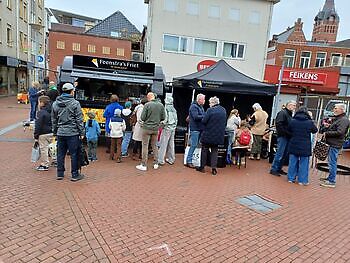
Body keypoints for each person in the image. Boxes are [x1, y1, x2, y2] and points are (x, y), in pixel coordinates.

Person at [52, 83, 85, 181]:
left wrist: (55, 132)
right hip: (72, 132)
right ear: (71, 91)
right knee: (74, 154)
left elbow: (53, 119)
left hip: (60, 132)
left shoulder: (55, 103)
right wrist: (82, 132)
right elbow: (79, 119)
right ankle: (74, 174)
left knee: (60, 153)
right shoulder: (75, 103)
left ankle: (60, 173)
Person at [320, 103, 350, 188]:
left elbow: (340, 132)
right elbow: (337, 129)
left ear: (342, 110)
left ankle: (331, 181)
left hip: (335, 144)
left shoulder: (343, 120)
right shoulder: (339, 119)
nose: (334, 109)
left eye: (336, 108)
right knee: (331, 162)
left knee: (332, 162)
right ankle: (330, 178)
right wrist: (328, 126)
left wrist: (327, 133)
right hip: (333, 143)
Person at [196, 96, 226, 176]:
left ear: (213, 103)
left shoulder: (210, 110)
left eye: (209, 103)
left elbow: (204, 121)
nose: (209, 104)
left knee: (204, 150)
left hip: (208, 134)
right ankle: (213, 169)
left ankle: (202, 167)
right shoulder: (223, 110)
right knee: (215, 151)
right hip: (218, 135)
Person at [287, 107, 318, 185]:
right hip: (305, 145)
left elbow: (288, 130)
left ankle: (291, 178)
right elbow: (315, 130)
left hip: (294, 143)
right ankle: (302, 180)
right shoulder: (309, 122)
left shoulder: (293, 121)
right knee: (304, 163)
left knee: (292, 163)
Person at [136, 92, 165, 171]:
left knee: (145, 146)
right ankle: (156, 163)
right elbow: (163, 117)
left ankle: (144, 164)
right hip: (156, 128)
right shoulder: (161, 105)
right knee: (154, 146)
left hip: (146, 128)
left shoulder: (147, 105)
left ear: (149, 97)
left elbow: (142, 117)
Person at [270, 100, 297, 176]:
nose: (295, 107)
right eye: (293, 105)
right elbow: (279, 124)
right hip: (283, 137)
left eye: (295, 105)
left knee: (284, 154)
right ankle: (274, 169)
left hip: (286, 136)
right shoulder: (283, 113)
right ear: (289, 105)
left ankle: (278, 168)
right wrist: (286, 133)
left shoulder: (288, 114)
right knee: (280, 153)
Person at [185, 93, 205, 168]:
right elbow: (196, 117)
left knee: (196, 145)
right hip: (195, 129)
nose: (204, 101)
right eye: (203, 99)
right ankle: (189, 161)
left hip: (199, 129)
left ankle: (194, 160)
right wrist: (205, 116)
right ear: (199, 99)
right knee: (193, 145)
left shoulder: (200, 107)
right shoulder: (194, 107)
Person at [34, 95, 53, 171]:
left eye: (39, 102)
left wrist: (36, 135)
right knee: (53, 148)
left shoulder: (41, 112)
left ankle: (45, 164)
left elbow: (38, 125)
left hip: (43, 133)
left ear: (42, 103)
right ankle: (55, 161)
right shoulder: (52, 110)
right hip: (51, 132)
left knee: (44, 149)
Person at [158, 96, 178, 165]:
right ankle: (171, 159)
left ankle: (160, 160)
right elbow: (176, 119)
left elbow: (165, 120)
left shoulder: (165, 108)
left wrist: (161, 124)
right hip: (173, 128)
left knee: (163, 144)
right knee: (171, 144)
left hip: (167, 128)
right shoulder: (174, 109)